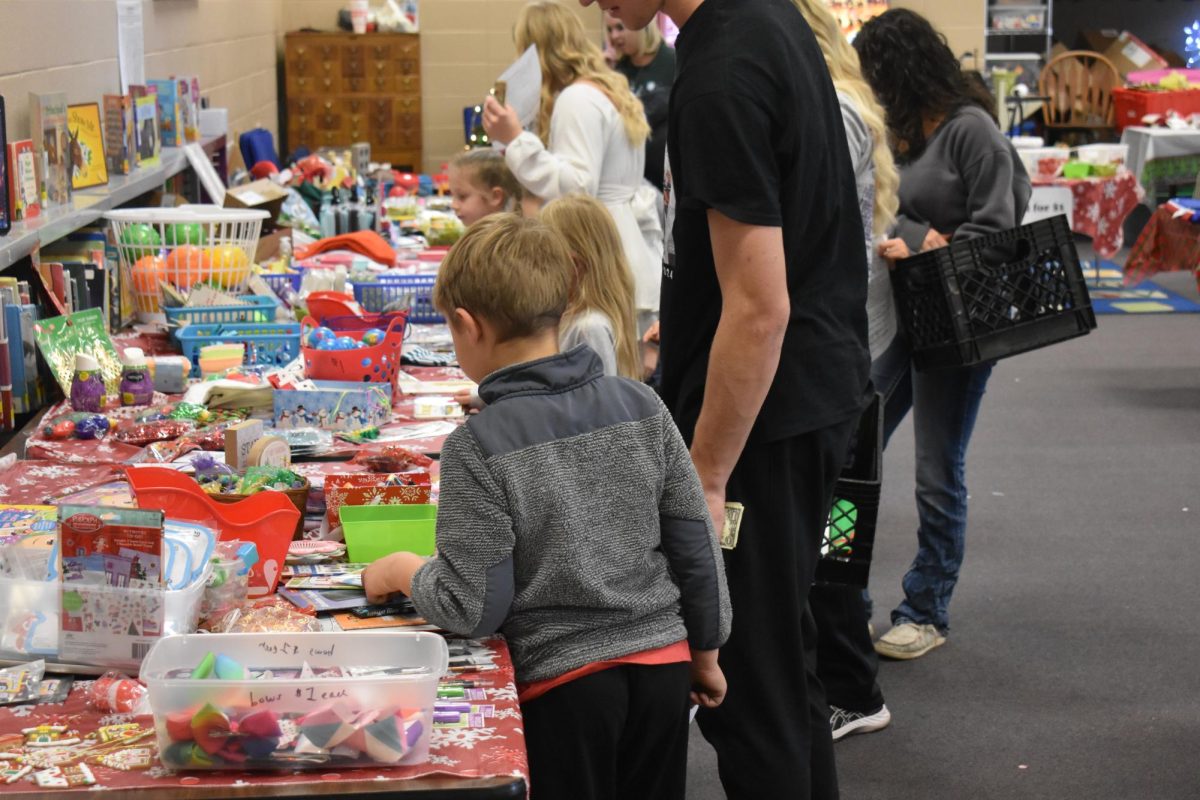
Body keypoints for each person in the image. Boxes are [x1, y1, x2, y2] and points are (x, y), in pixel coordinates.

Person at [589, 0, 871, 797]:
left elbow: (759, 307)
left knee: (746, 690)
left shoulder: (722, 72)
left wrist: (706, 478)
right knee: (783, 668)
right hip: (802, 398)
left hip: (765, 424)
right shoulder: (758, 22)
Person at [362, 214, 731, 800]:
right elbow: (695, 542)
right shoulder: (642, 403)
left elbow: (473, 605)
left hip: (566, 686)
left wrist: (400, 570)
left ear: (465, 325)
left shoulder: (477, 445)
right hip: (663, 665)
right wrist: (707, 651)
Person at [852, 8, 1032, 660]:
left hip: (961, 329)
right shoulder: (903, 133)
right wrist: (907, 237)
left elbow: (1001, 237)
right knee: (852, 447)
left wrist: (935, 250)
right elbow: (884, 206)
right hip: (904, 316)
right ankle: (841, 595)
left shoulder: (972, 133)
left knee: (936, 469)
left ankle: (925, 608)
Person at [782, 0, 901, 743]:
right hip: (841, 348)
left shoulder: (836, 112)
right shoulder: (844, 106)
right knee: (832, 536)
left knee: (834, 540)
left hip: (834, 355)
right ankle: (843, 679)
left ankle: (852, 688)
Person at [483, 1, 663, 336]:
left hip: (605, 246)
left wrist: (515, 140)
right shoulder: (603, 88)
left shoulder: (576, 99)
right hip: (622, 239)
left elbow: (578, 187)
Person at [541, 194, 642, 379]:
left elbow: (599, 402)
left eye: (543, 258)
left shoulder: (590, 328)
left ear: (574, 265)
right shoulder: (571, 318)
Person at [606, 11, 675, 190]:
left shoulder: (672, 62)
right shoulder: (616, 70)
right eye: (609, 29)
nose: (614, 36)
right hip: (630, 177)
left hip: (665, 175)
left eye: (620, 28)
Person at [446, 148, 523, 227]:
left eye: (462, 196)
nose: (453, 205)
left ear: (495, 196)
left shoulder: (503, 238)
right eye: (452, 195)